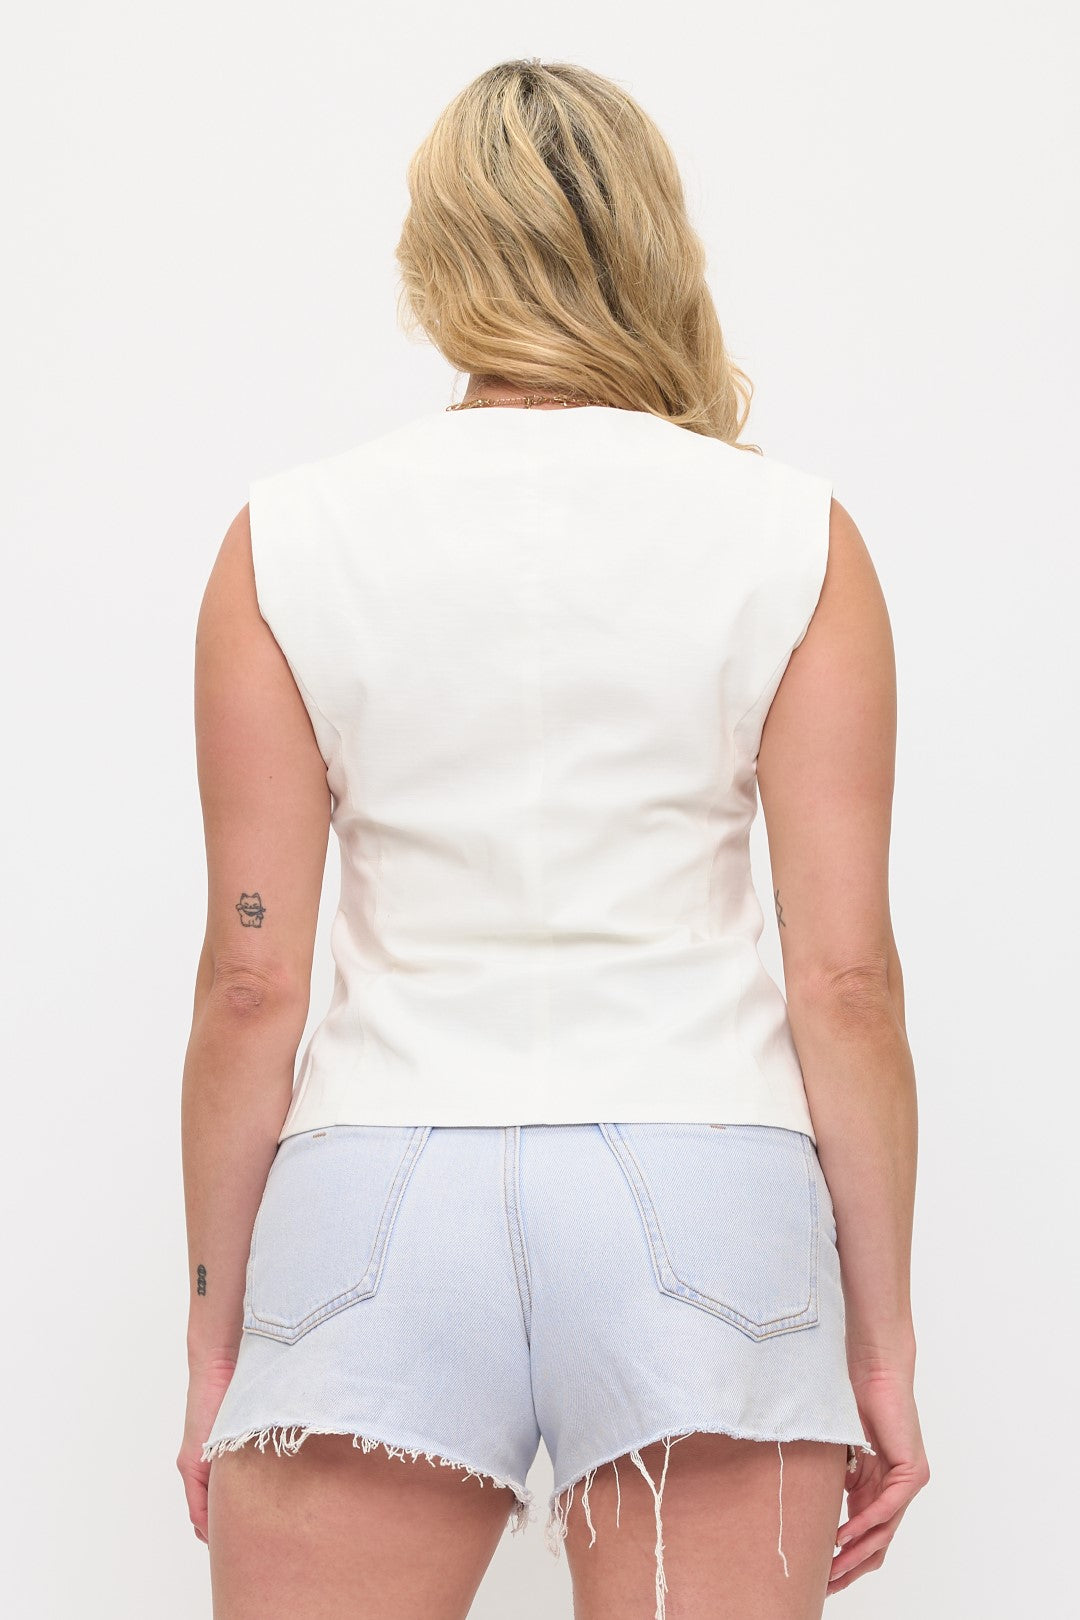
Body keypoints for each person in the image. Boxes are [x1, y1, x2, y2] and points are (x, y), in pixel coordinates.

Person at [177, 56, 929, 1620]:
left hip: (379, 1192)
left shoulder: (289, 541)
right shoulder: (792, 535)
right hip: (703, 1183)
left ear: (432, 260)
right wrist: (879, 1351)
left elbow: (252, 983)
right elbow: (845, 980)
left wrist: (213, 1337)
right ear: (655, 239)